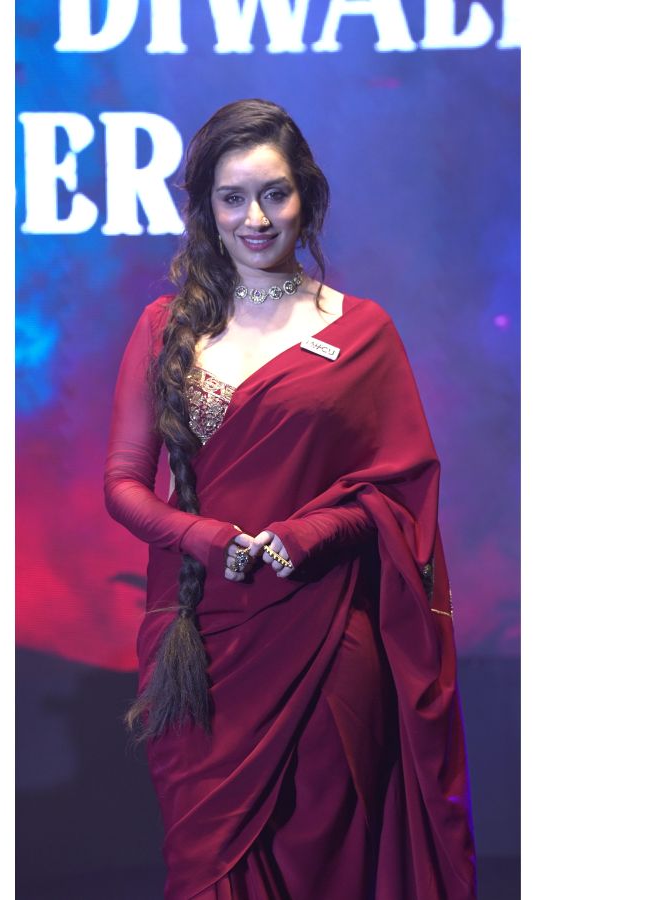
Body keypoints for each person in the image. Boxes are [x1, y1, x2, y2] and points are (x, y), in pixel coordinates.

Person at [104, 99, 476, 899]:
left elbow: (400, 493)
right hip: (198, 642)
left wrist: (312, 534)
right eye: (233, 198)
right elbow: (123, 486)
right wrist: (205, 538)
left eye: (275, 193)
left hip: (325, 634)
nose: (256, 218)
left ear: (306, 194)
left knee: (325, 860)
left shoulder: (360, 331)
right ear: (205, 208)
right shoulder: (165, 329)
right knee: (207, 866)